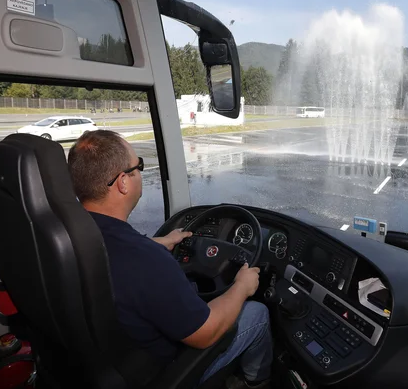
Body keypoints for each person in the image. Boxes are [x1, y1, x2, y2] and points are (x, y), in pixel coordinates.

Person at [67, 130, 272, 387]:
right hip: (161, 373)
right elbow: (206, 333)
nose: (140, 171)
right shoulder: (144, 259)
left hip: (100, 363)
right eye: (138, 165)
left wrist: (158, 242)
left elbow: (110, 254)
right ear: (123, 182)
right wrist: (242, 286)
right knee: (257, 312)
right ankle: (256, 382)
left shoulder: (69, 235)